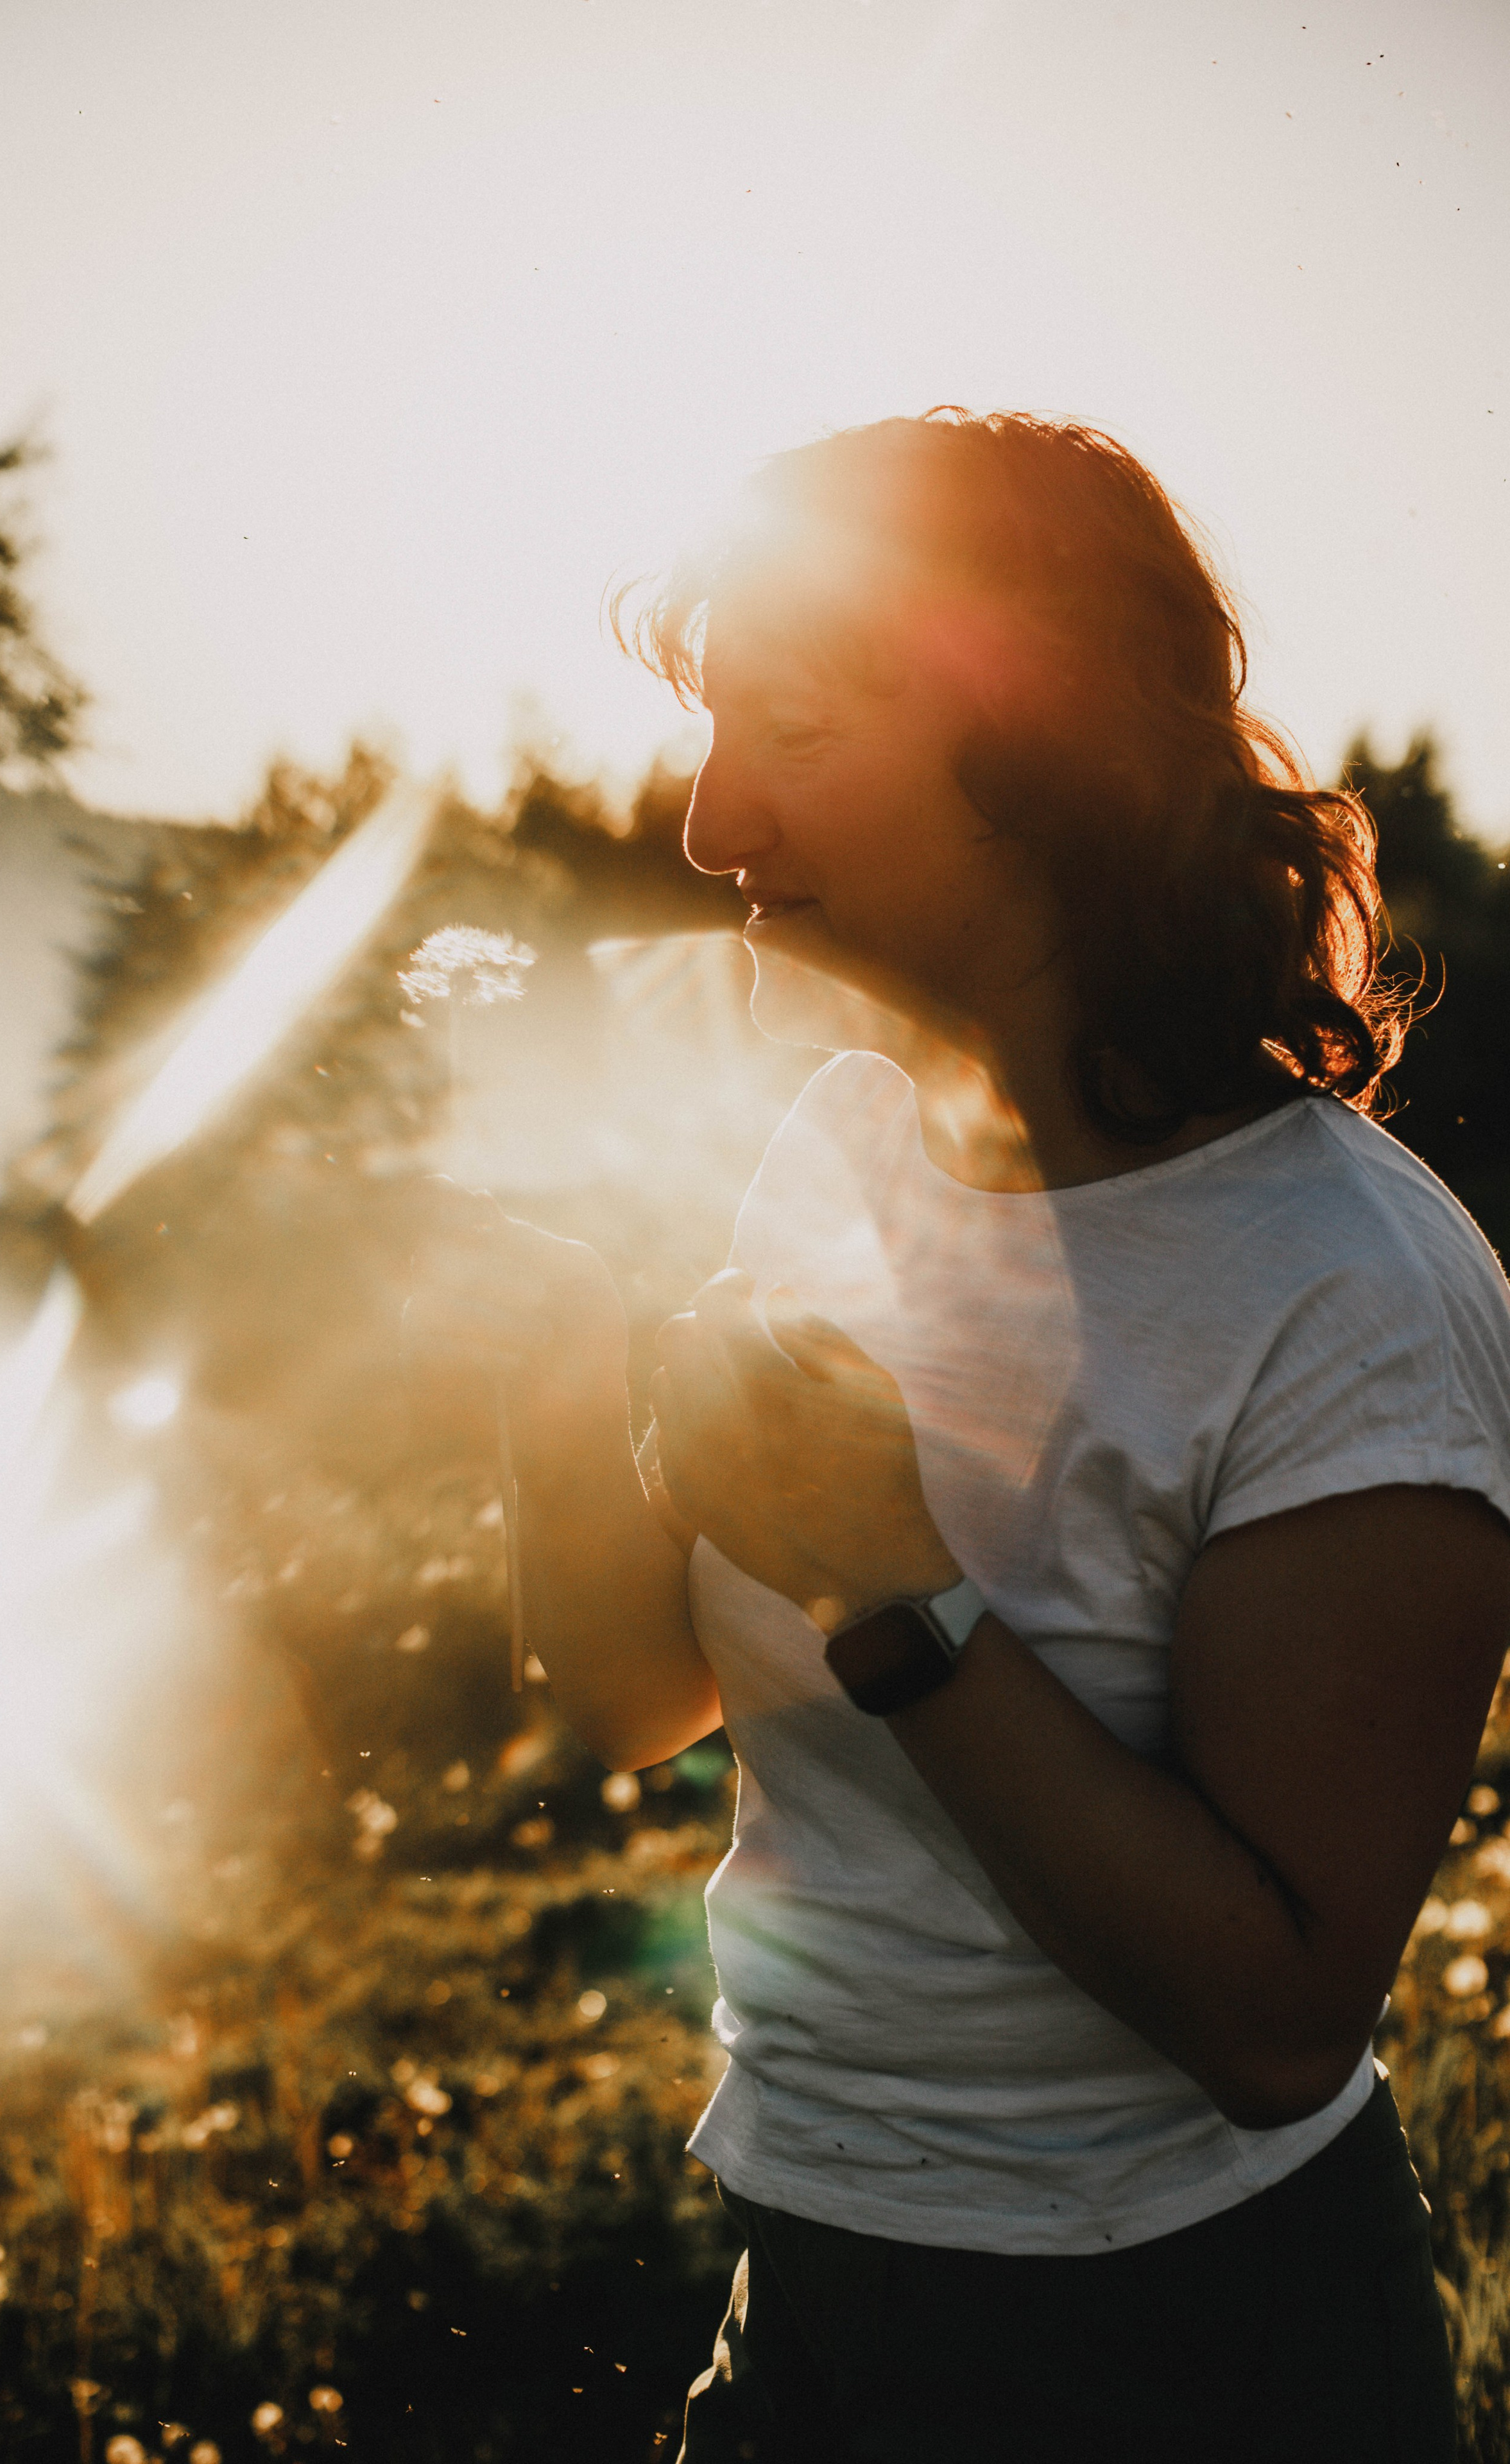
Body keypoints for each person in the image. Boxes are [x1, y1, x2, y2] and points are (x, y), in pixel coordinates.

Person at [433, 411, 1510, 2460]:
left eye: (798, 730)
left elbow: (1278, 2025)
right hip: (813, 2281)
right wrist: (561, 1347)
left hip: (1191, 2353)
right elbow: (623, 1703)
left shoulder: (1350, 1292)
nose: (706, 820)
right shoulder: (838, 1147)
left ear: (1048, 760)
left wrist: (890, 1587)